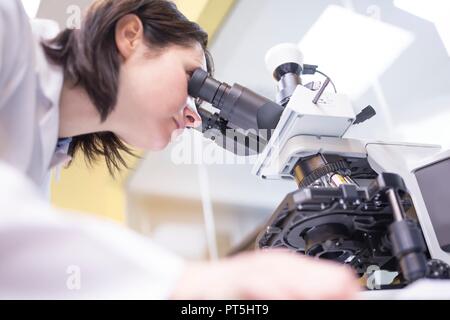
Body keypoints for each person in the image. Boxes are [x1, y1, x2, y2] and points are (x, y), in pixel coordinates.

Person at [0, 0, 360, 299]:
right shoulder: (8, 28)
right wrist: (188, 283)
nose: (193, 115)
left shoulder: (40, 163)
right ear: (130, 37)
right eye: (194, 80)